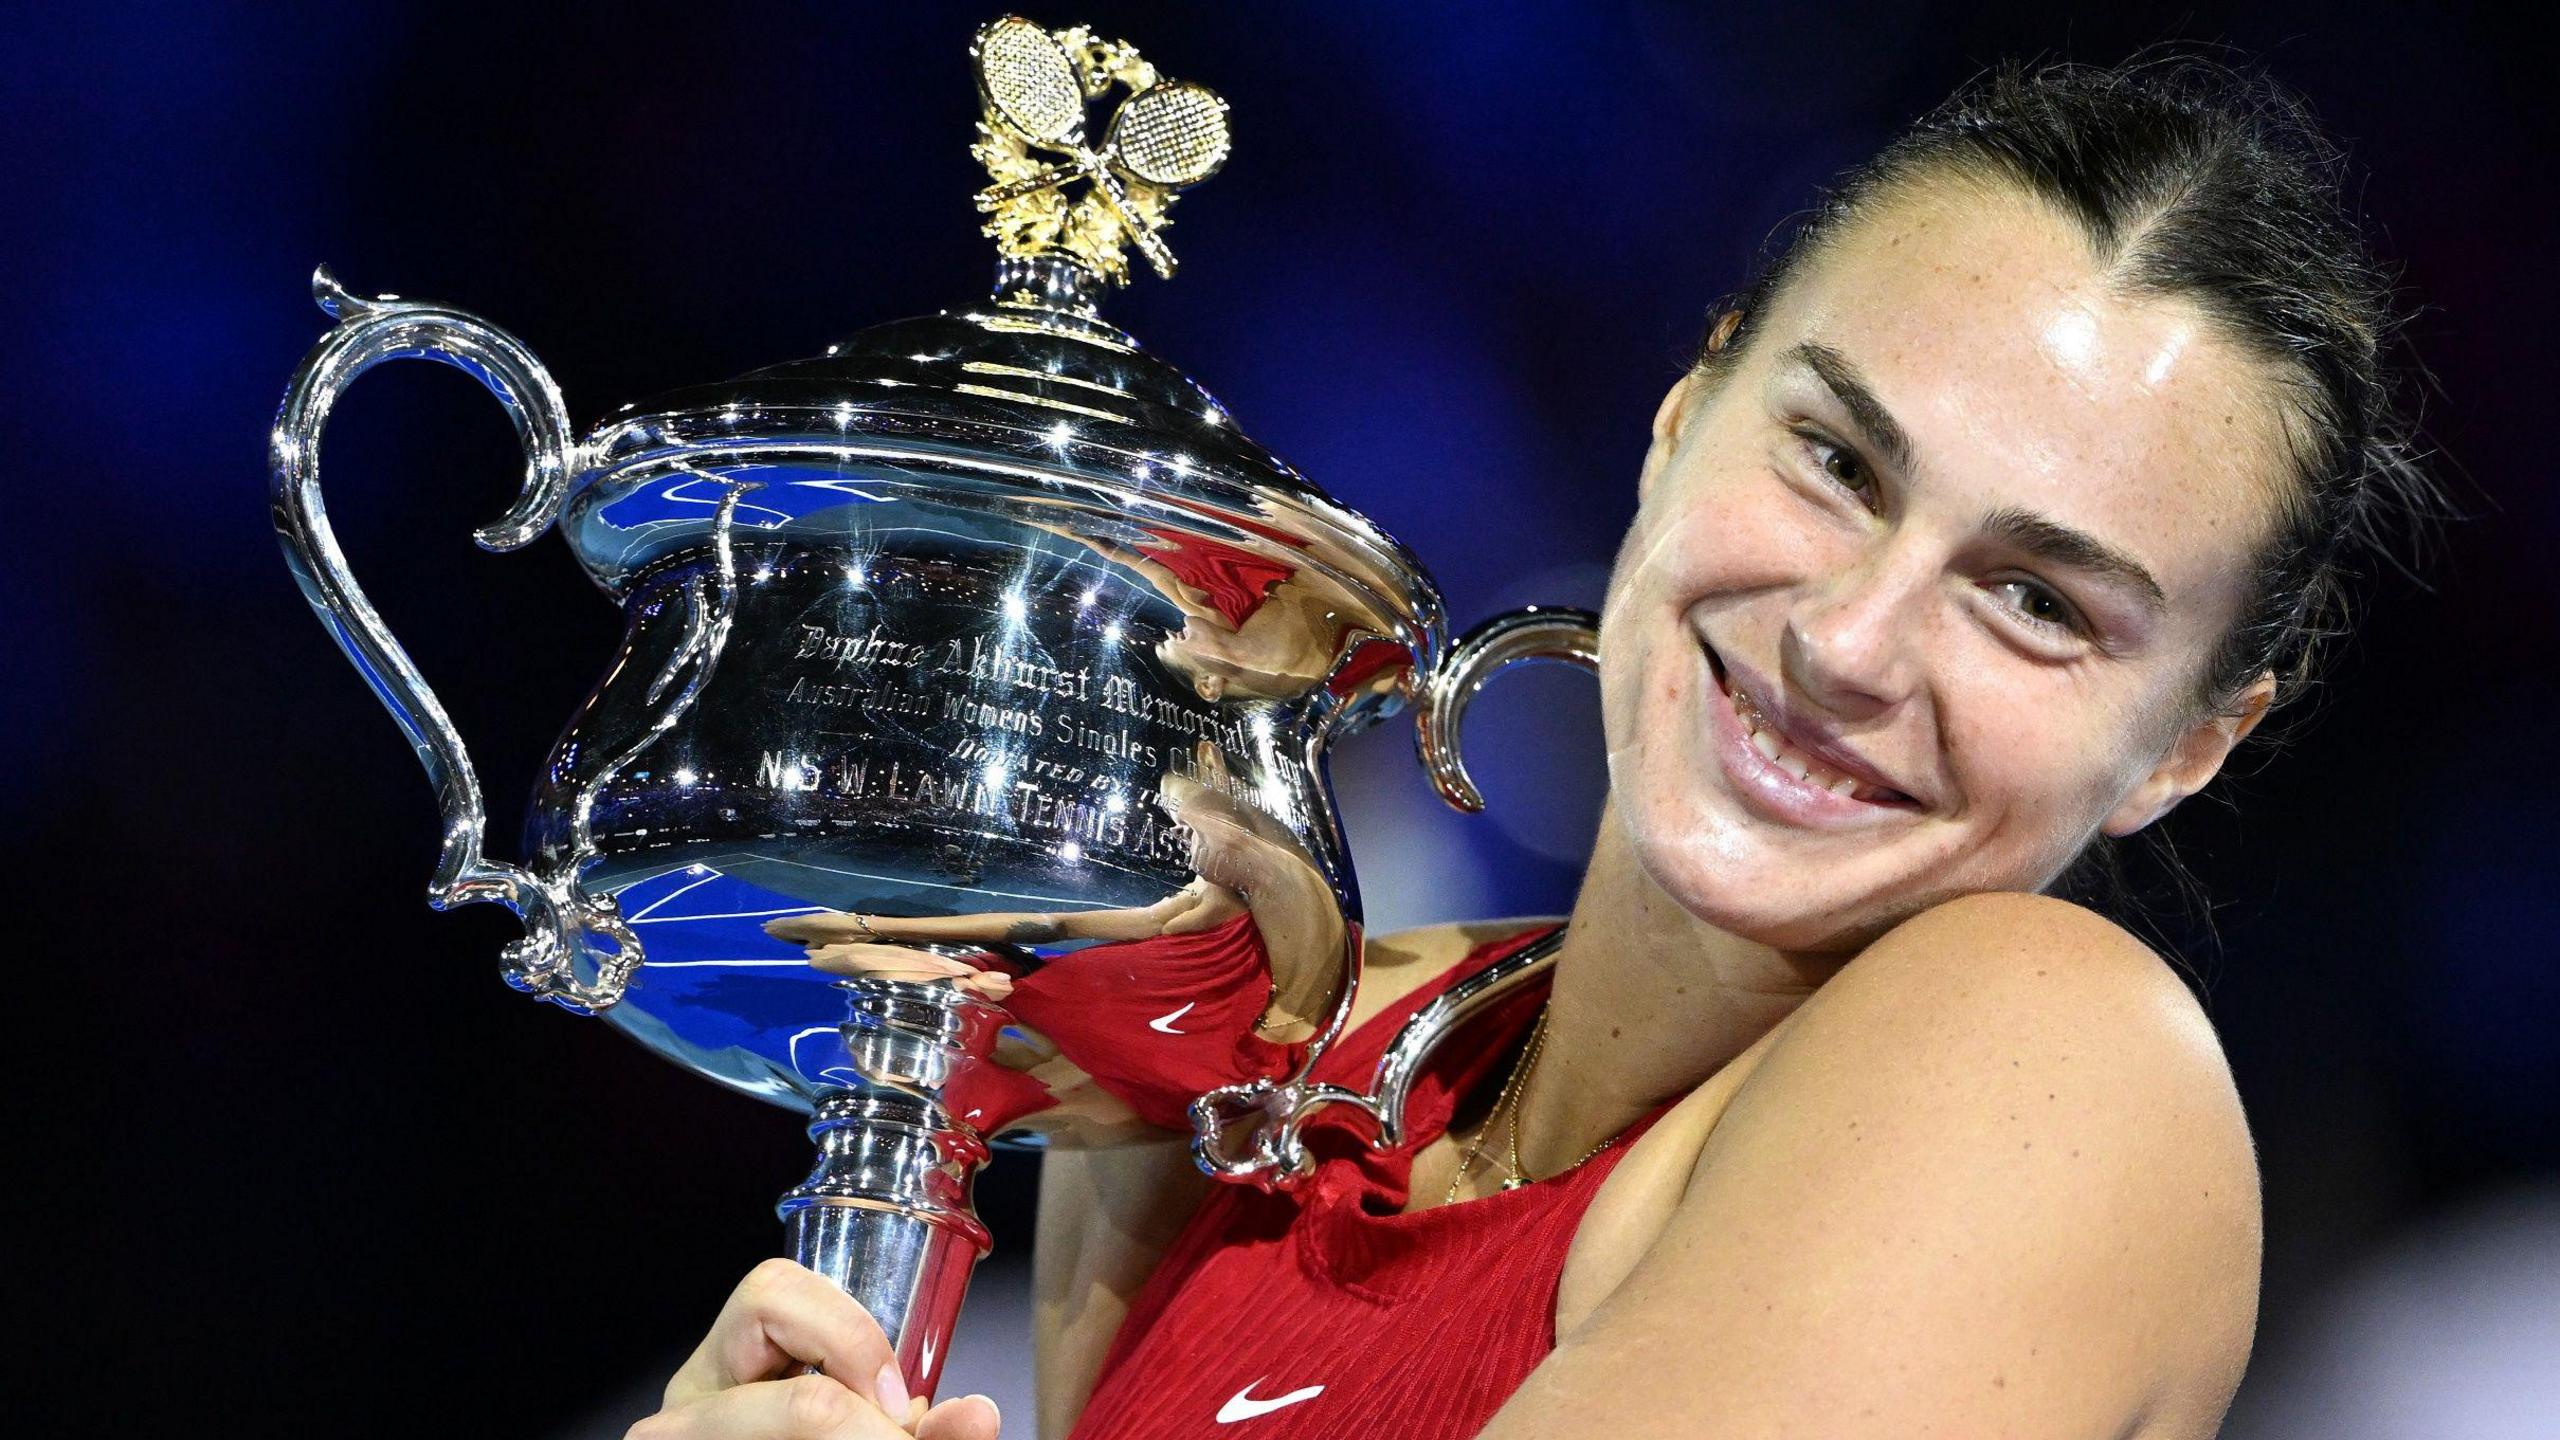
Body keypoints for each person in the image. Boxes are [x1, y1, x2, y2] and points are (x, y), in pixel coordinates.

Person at [625, 53, 2435, 1440]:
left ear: (2193, 743)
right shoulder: (1264, 1052)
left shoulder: (2062, 1061)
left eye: (2039, 599)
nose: (1849, 641)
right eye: (1836, 461)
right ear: (1681, 415)